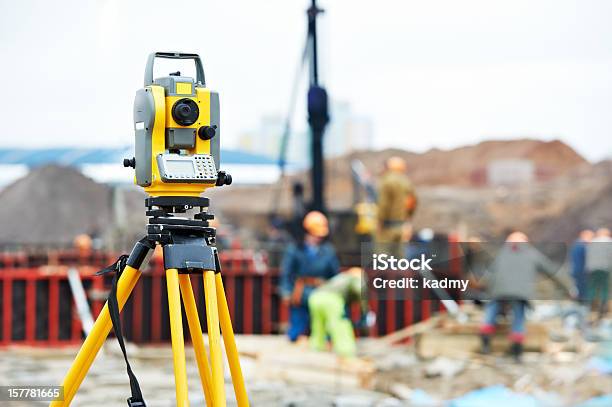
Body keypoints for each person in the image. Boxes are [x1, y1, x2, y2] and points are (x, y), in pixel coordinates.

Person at [479, 232, 569, 361]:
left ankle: (486, 344)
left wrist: (487, 292)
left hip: (498, 291)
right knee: (519, 318)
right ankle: (516, 353)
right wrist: (568, 288)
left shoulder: (502, 253)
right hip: (520, 293)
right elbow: (551, 270)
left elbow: (489, 274)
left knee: (491, 312)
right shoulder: (531, 253)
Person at [280, 211, 340, 342]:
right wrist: (286, 291)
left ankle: (325, 338)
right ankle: (297, 336)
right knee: (298, 322)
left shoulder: (328, 251)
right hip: (301, 292)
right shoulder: (295, 249)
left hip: (322, 291)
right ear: (307, 231)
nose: (317, 238)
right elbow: (287, 273)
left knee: (326, 319)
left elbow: (334, 274)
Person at [308, 267, 370, 357]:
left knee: (318, 324)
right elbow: (359, 290)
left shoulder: (340, 277)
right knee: (340, 324)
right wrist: (364, 311)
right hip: (332, 299)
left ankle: (317, 347)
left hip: (315, 296)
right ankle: (346, 350)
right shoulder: (355, 278)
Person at [376, 156, 416, 257]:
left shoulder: (386, 180)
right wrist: (408, 219)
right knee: (400, 260)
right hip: (402, 226)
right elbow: (413, 202)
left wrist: (379, 222)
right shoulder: (407, 182)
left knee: (383, 260)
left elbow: (383, 204)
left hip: (387, 227)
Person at [585, 227, 612, 320]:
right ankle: (603, 309)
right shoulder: (609, 241)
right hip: (604, 268)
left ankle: (590, 307)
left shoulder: (592, 242)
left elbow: (588, 255)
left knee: (592, 288)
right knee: (604, 288)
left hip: (592, 268)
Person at [570, 229, 594, 303]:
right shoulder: (582, 246)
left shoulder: (576, 244)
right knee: (583, 291)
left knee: (578, 289)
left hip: (576, 270)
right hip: (582, 271)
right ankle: (584, 306)